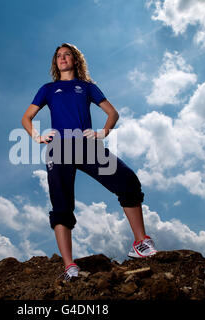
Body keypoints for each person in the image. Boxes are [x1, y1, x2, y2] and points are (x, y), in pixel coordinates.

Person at [21, 43, 157, 280]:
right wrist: (38, 137)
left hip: (86, 146)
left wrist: (102, 133)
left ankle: (141, 242)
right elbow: (27, 117)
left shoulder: (87, 87)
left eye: (67, 55)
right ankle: (69, 267)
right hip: (59, 149)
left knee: (128, 182)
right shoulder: (48, 89)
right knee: (62, 206)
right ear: (56, 63)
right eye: (59, 56)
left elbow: (112, 113)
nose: (63, 58)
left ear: (75, 60)